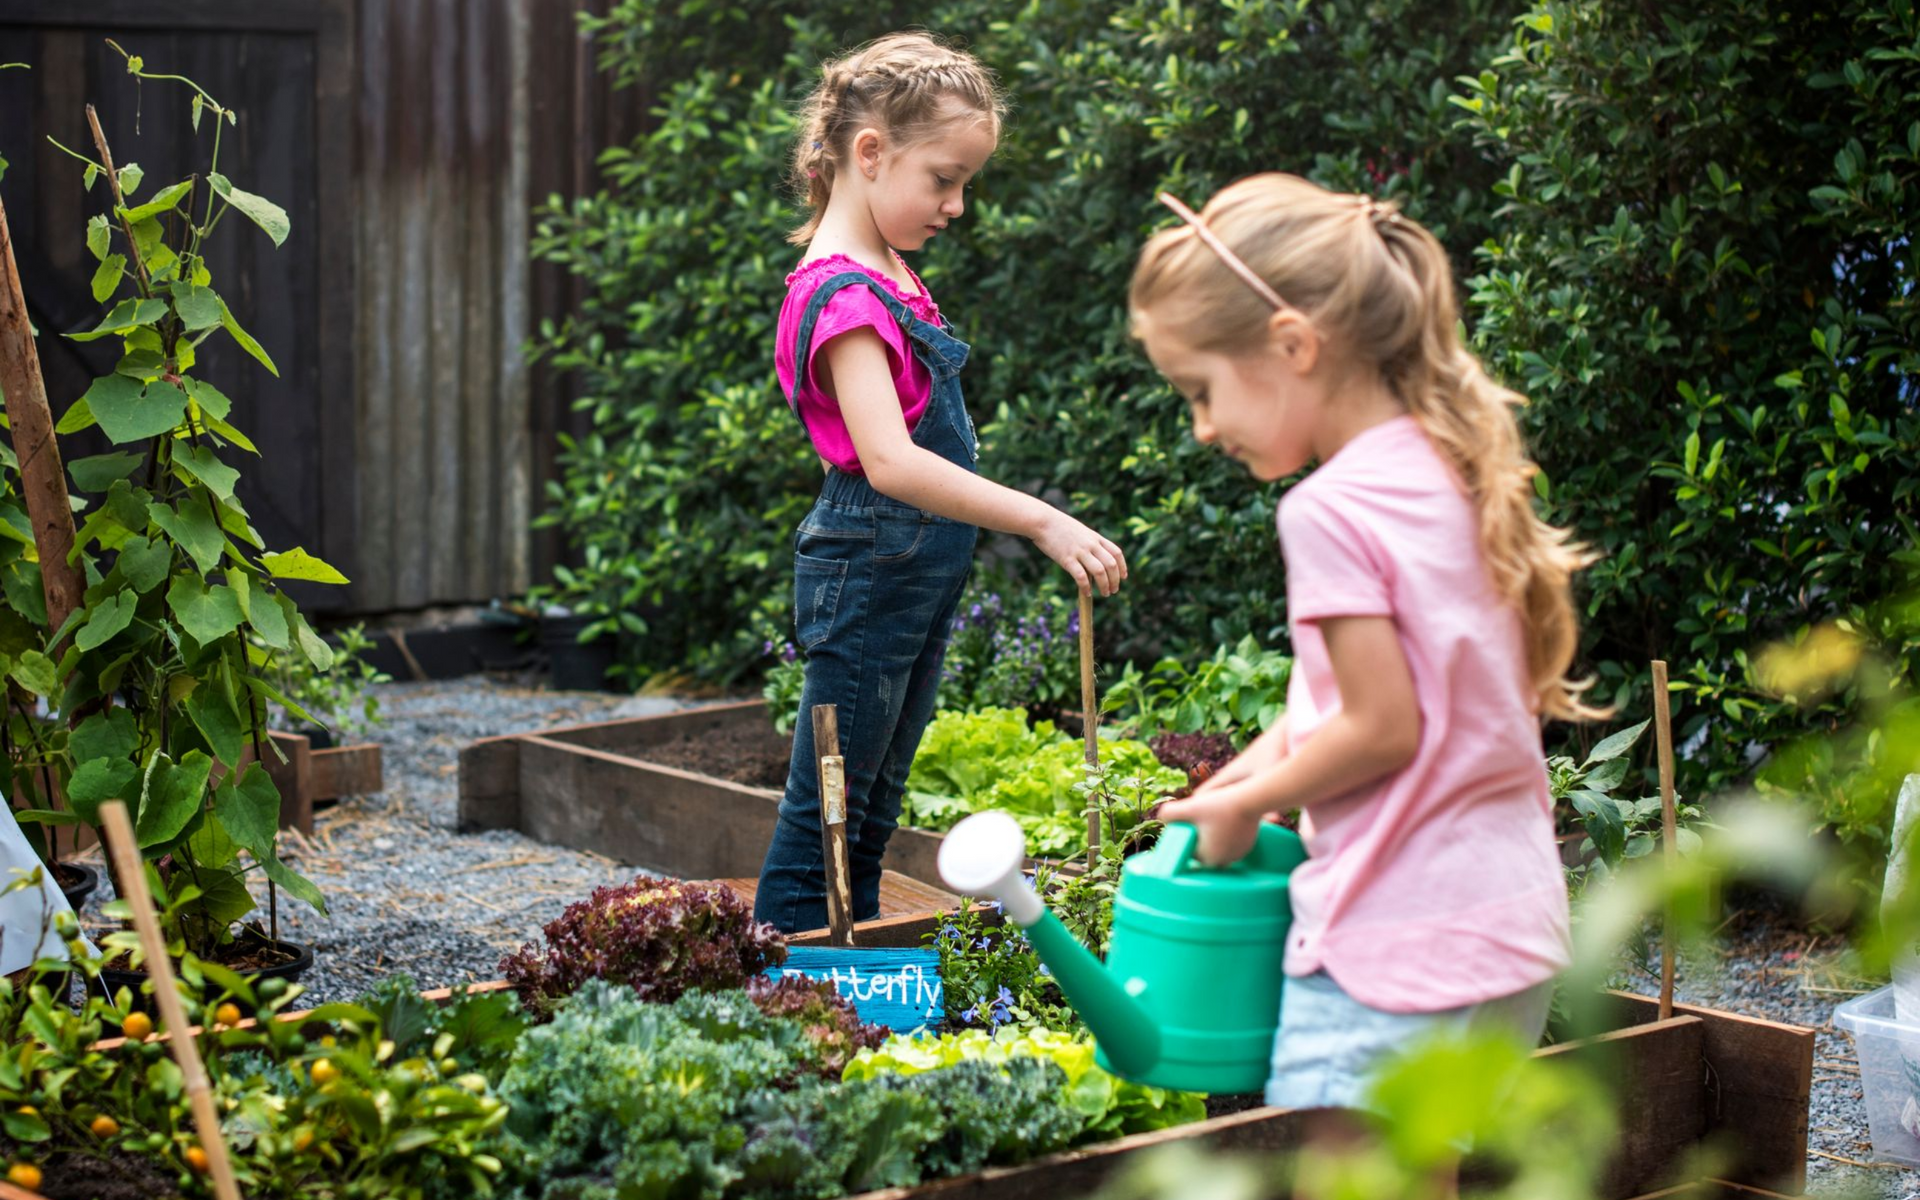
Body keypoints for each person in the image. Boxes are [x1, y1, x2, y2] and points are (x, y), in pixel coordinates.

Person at [1138, 175, 1596, 1119]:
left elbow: (1385, 727)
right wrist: (1224, 793)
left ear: (1292, 346)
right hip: (1509, 928)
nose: (1203, 426)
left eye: (1202, 389)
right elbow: (1333, 706)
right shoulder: (1454, 470)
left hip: (1395, 942)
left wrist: (1252, 800)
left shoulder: (1328, 510)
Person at [754, 33, 1128, 934]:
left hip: (905, 571)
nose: (958, 205)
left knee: (873, 805)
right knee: (827, 816)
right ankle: (782, 997)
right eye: (945, 179)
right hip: (869, 566)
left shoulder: (885, 271)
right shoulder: (843, 297)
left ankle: (854, 983)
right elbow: (891, 461)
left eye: (966, 184)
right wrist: (1039, 519)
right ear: (871, 153)